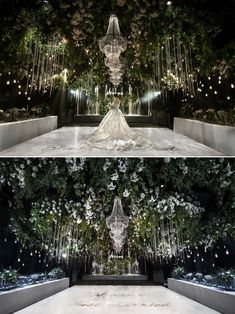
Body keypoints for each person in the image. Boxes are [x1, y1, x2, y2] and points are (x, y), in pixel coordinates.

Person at [87, 94, 152, 150]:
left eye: (114, 97)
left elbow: (115, 106)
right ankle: (114, 131)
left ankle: (113, 132)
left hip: (114, 111)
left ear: (115, 96)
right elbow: (117, 106)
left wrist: (110, 106)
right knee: (117, 122)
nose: (113, 98)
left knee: (114, 122)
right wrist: (111, 106)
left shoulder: (116, 100)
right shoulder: (118, 100)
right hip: (117, 111)